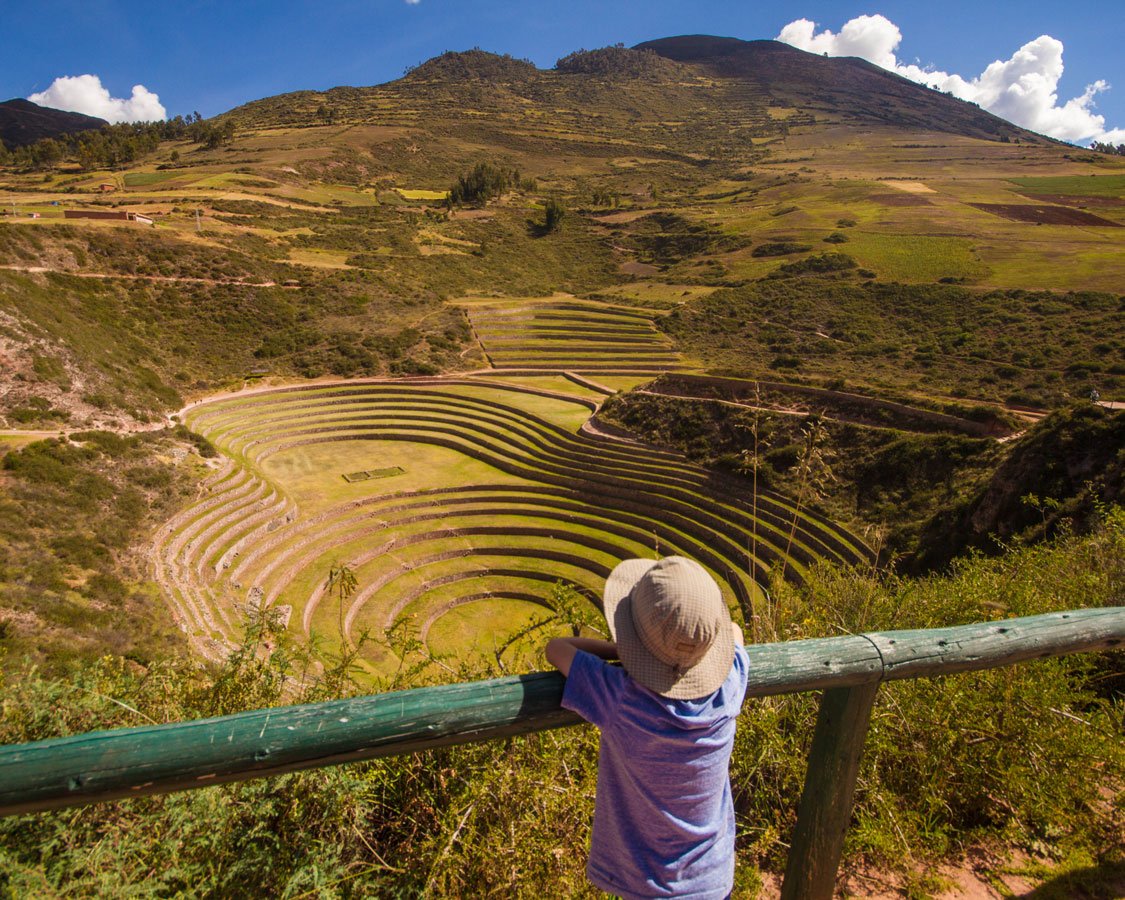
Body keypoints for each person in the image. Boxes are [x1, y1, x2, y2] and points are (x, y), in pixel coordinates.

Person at [546, 555, 750, 900]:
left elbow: (556, 649)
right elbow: (735, 633)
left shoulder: (620, 695)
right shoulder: (730, 686)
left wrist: (622, 651)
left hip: (646, 886)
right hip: (712, 881)